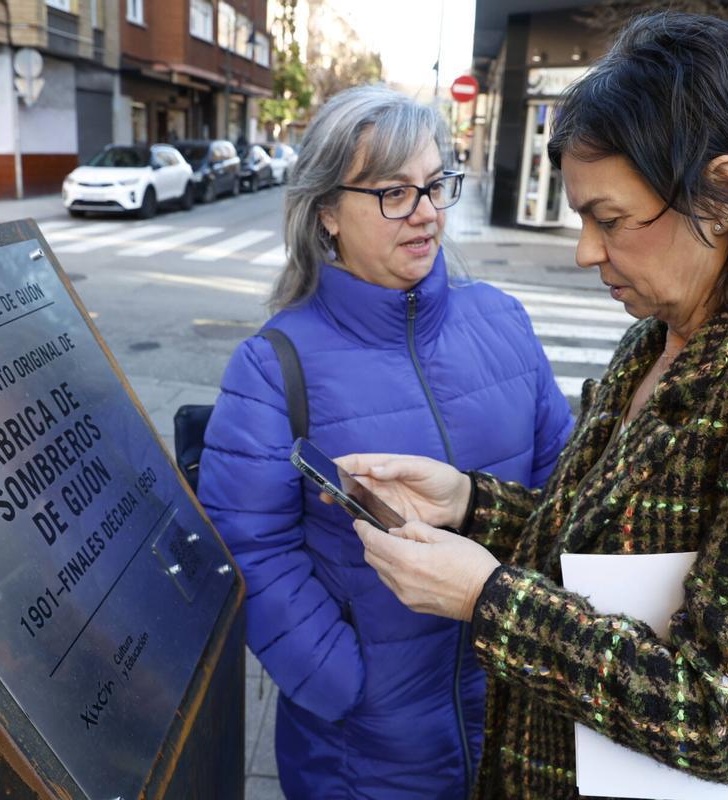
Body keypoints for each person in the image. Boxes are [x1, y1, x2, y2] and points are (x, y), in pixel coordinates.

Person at [335, 14, 728, 799]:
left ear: (722, 194)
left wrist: (486, 599)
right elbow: (619, 554)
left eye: (609, 219)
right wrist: (472, 507)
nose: (586, 250)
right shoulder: (664, 332)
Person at [198, 85, 574, 799]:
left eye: (435, 185)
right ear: (327, 213)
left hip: (517, 719)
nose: (428, 212)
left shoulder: (502, 320)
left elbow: (564, 491)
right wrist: (345, 682)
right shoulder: (275, 364)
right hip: (365, 755)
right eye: (395, 192)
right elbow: (249, 546)